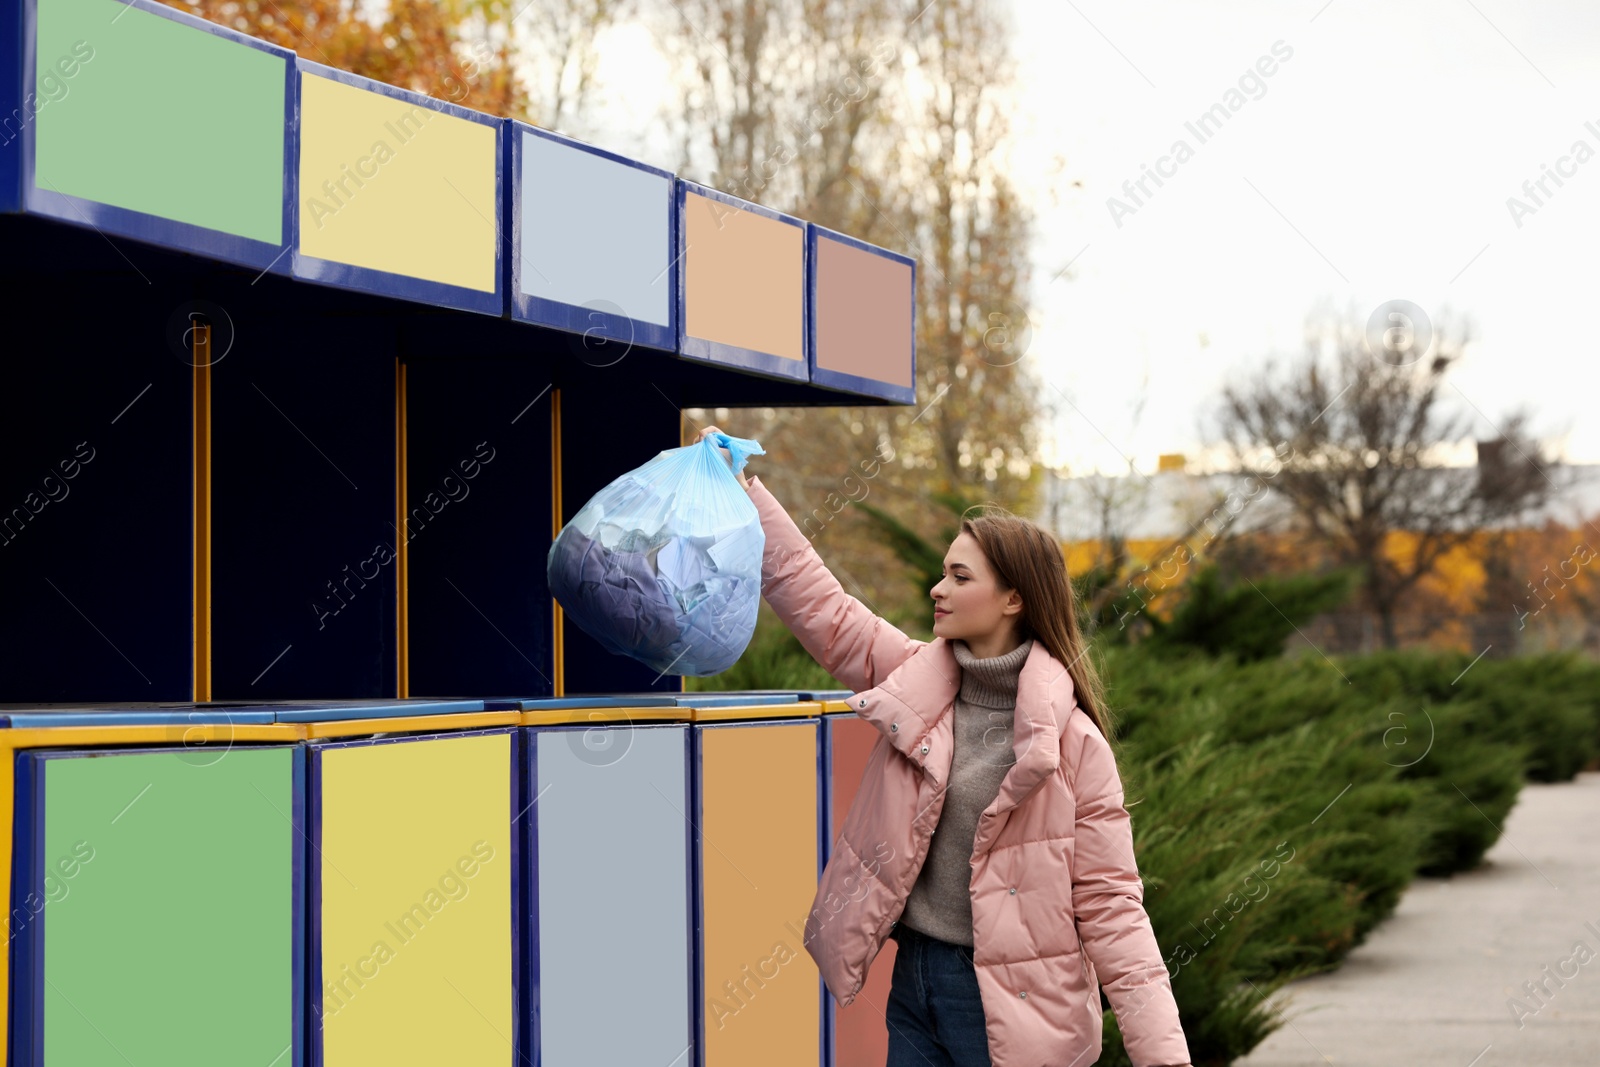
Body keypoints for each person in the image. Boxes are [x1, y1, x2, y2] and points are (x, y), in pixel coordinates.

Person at [700, 426, 1192, 1067]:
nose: (938, 589)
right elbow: (825, 609)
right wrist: (745, 492)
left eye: (960, 576)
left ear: (1013, 597)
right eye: (942, 573)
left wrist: (1164, 1056)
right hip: (915, 980)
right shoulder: (917, 681)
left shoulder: (1074, 745)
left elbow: (1111, 906)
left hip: (1011, 1008)